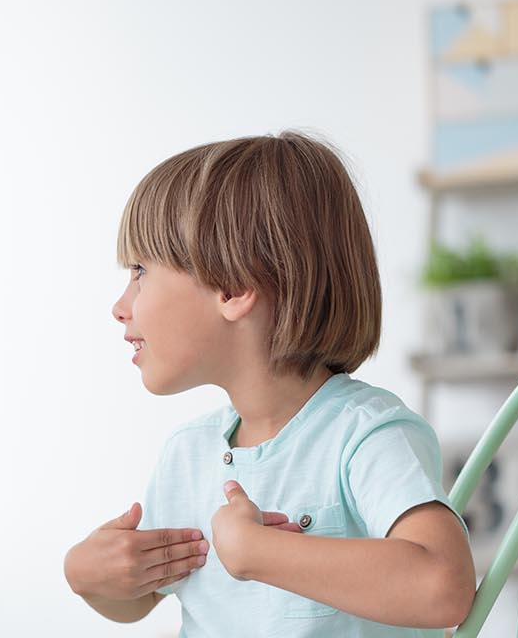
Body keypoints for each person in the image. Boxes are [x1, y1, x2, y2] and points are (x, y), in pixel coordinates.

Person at [63, 132, 475, 636]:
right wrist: (91, 577)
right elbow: (141, 596)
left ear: (233, 288)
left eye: (140, 271)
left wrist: (261, 552)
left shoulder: (364, 434)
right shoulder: (187, 454)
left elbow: (443, 587)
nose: (120, 305)